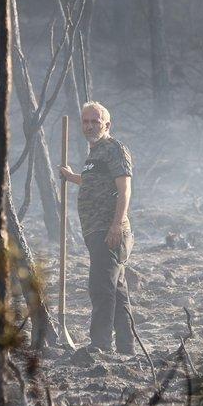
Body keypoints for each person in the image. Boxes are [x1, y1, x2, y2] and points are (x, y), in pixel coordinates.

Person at [60, 101, 134, 354]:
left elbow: (124, 190)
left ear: (107, 124)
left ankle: (100, 345)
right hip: (96, 231)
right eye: (85, 121)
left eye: (95, 121)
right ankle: (127, 348)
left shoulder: (114, 149)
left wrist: (115, 226)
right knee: (117, 291)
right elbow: (95, 183)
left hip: (110, 231)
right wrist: (72, 178)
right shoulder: (94, 155)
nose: (89, 126)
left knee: (101, 288)